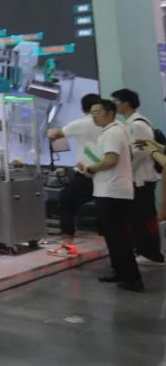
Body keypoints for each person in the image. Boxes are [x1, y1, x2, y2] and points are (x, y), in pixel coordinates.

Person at [81, 100, 142, 292]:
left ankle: (132, 278)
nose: (94, 116)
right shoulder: (114, 131)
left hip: (112, 192)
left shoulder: (112, 132)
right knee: (113, 236)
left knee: (119, 236)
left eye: (98, 112)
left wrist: (91, 168)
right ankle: (120, 272)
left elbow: (110, 160)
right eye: (92, 113)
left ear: (110, 113)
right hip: (110, 189)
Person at [46, 94, 103, 257]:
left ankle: (67, 243)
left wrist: (50, 130)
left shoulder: (81, 124)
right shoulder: (112, 125)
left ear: (83, 108)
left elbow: (55, 135)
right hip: (107, 175)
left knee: (66, 202)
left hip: (87, 174)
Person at [111, 88, 164, 263]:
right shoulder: (132, 123)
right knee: (138, 216)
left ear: (126, 103)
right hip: (139, 177)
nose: (114, 105)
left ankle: (152, 253)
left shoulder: (137, 125)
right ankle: (144, 250)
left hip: (142, 178)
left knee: (144, 216)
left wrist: (124, 170)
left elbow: (140, 153)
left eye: (116, 101)